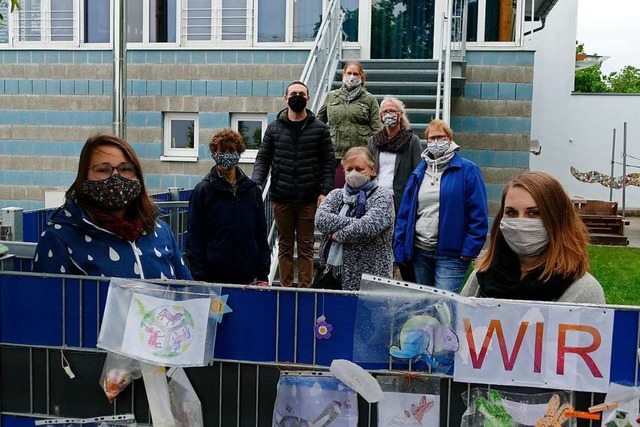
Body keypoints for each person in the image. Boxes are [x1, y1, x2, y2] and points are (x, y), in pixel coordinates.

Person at [33, 134, 191, 280]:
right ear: (83, 177)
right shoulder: (59, 238)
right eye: (103, 170)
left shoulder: (159, 231)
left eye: (126, 169)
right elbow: (48, 304)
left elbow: (188, 293)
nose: (116, 177)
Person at [461, 172, 605, 303]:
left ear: (557, 219)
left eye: (534, 213)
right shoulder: (483, 276)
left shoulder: (582, 289)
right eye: (511, 213)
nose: (520, 222)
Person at [251, 80, 335, 288]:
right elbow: (263, 159)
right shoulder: (273, 129)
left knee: (306, 247)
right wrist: (255, 184)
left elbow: (328, 162)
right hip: (282, 197)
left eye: (301, 93)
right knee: (285, 246)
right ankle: (287, 289)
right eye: (293, 93)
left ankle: (305, 289)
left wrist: (325, 191)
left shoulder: (320, 129)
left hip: (309, 197)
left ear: (307, 98)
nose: (297, 96)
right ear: (286, 98)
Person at [394, 119, 488, 293]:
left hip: (452, 255)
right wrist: (400, 249)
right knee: (424, 306)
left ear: (450, 138)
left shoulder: (468, 170)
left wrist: (470, 249)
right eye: (432, 138)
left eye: (441, 137)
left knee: (443, 306)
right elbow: (405, 215)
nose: (436, 142)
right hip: (420, 251)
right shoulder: (419, 172)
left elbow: (478, 213)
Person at [187, 129, 270, 285]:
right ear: (214, 153)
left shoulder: (252, 190)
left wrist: (263, 274)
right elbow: (194, 237)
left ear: (238, 153)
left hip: (247, 276)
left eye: (231, 151)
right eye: (222, 151)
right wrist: (198, 275)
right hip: (213, 277)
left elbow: (260, 234)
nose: (227, 155)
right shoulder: (203, 191)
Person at [315, 147, 395, 291]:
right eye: (349, 169)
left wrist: (337, 235)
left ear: (372, 169)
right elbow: (321, 219)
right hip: (332, 276)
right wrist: (356, 222)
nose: (353, 174)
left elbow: (368, 227)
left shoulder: (383, 197)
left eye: (359, 169)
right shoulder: (336, 195)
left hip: (370, 279)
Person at [317, 61, 383, 187]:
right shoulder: (331, 96)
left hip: (360, 156)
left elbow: (377, 129)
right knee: (337, 192)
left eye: (355, 74)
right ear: (343, 75)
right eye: (349, 73)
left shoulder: (369, 99)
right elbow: (319, 122)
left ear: (361, 77)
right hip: (335, 155)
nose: (351, 76)